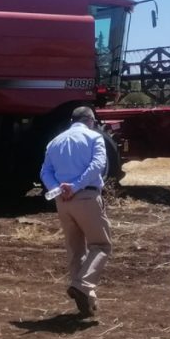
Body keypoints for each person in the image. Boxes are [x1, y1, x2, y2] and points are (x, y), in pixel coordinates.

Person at [40, 106, 110, 318]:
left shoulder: (55, 141)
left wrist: (58, 189)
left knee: (75, 248)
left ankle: (86, 301)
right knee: (101, 245)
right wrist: (77, 185)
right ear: (90, 120)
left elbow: (45, 171)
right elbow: (98, 164)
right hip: (86, 197)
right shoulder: (94, 137)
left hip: (62, 201)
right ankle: (82, 285)